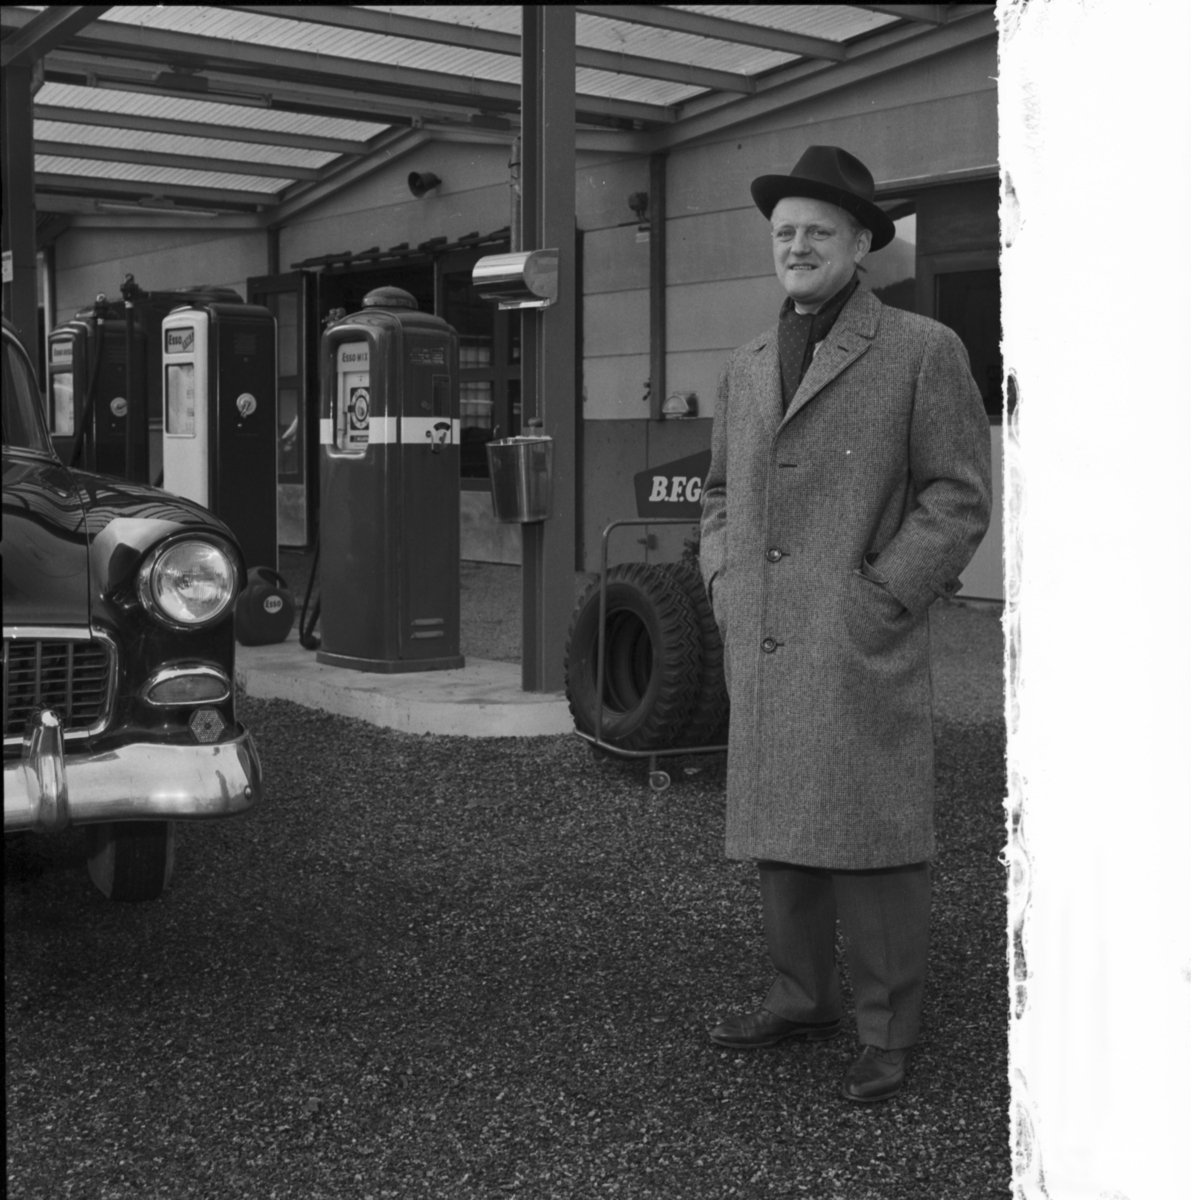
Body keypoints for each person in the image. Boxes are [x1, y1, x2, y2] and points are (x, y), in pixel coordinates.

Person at [699, 145, 992, 1103]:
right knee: (781, 826)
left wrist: (885, 593)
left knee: (872, 834)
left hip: (855, 628)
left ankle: (887, 1029)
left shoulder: (919, 348)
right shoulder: (745, 362)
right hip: (763, 627)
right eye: (783, 231)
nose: (796, 245)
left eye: (817, 231)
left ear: (861, 243)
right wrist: (724, 579)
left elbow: (956, 495)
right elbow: (716, 494)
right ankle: (800, 999)